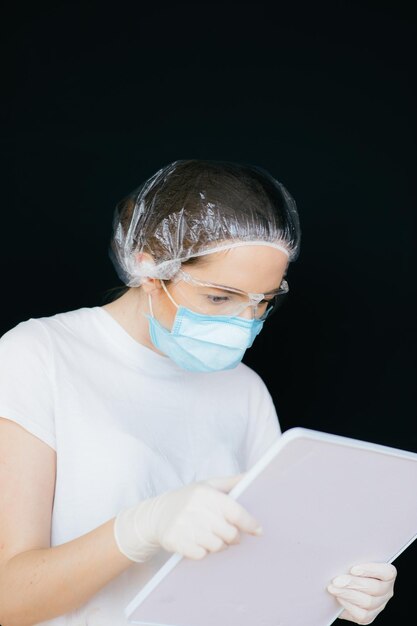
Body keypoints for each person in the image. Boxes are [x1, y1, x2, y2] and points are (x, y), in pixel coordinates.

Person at [0, 159, 396, 625]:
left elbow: (257, 579)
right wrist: (139, 528)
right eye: (219, 298)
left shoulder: (244, 390)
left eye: (263, 302)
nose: (243, 325)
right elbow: (10, 600)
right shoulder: (39, 356)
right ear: (148, 265)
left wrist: (331, 590)